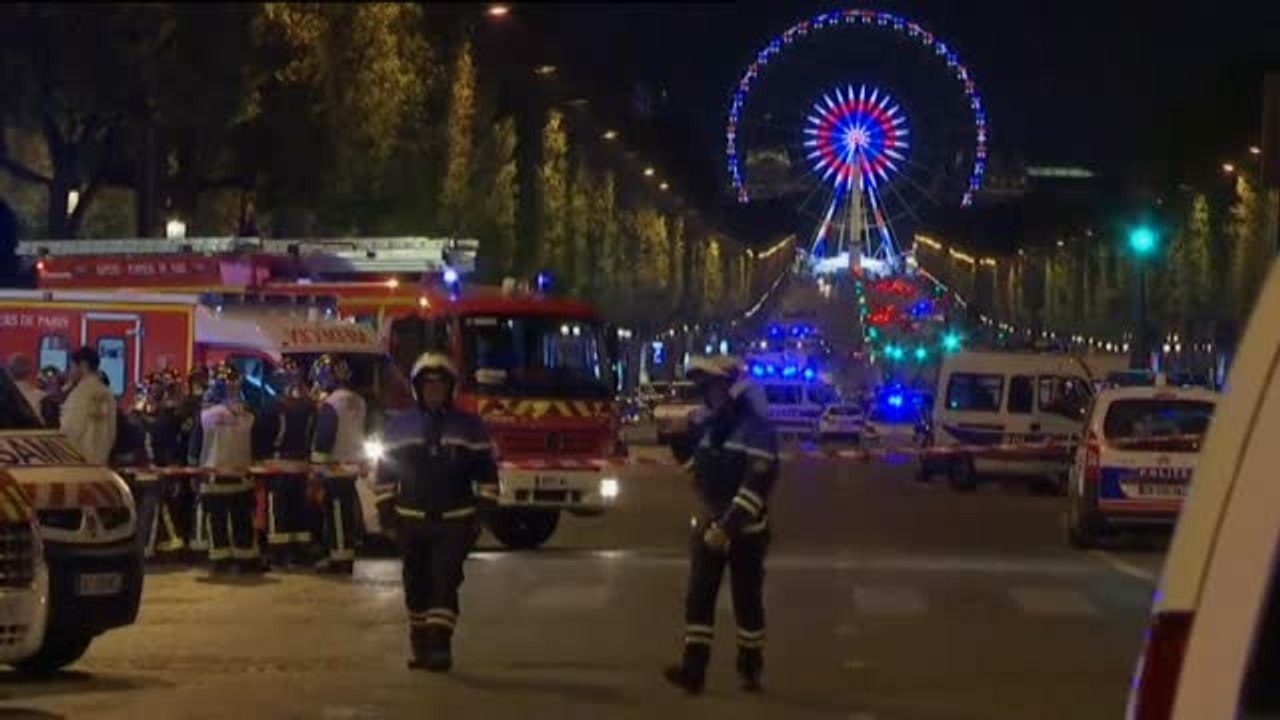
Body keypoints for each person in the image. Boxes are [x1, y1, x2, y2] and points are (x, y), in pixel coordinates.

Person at [375, 352, 499, 672]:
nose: (434, 391)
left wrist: (481, 515)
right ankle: (420, 644)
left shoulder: (470, 427)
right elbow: (385, 475)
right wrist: (387, 514)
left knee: (444, 583)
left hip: (454, 523)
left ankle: (440, 648)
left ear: (450, 388)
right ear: (417, 388)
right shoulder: (399, 427)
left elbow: (486, 475)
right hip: (411, 522)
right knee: (416, 587)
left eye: (440, 385)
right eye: (428, 386)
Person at [663, 355, 779, 695]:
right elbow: (698, 475)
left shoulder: (758, 430)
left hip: (746, 532)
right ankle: (693, 670)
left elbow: (756, 486)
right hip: (710, 524)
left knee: (747, 602)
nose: (707, 396)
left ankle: (750, 668)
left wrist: (726, 528)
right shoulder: (711, 426)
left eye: (712, 388)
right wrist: (677, 440)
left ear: (731, 389)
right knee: (698, 598)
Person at [188, 362, 262, 575]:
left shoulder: (206, 416)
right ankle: (246, 560)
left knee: (217, 523)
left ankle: (221, 561)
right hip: (241, 479)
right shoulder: (248, 415)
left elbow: (195, 447)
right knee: (242, 521)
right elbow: (255, 446)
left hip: (213, 480)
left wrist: (194, 472)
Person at [254, 358, 317, 567]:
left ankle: (278, 552)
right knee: (298, 508)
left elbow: (261, 436)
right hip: (301, 465)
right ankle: (299, 552)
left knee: (278, 510)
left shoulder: (272, 406)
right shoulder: (310, 406)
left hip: (277, 465)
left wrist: (259, 460)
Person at [309, 354, 367, 574]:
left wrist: (316, 469)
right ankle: (342, 553)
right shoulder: (358, 401)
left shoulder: (331, 404)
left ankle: (340, 558)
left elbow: (324, 438)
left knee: (336, 514)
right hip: (351, 466)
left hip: (333, 467)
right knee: (346, 513)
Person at [135, 370, 191, 561]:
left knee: (155, 509)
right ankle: (149, 548)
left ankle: (154, 547)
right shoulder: (160, 416)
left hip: (154, 468)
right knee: (153, 509)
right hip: (149, 468)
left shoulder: (166, 416)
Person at [60, 347, 118, 465]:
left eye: (72, 367)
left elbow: (70, 430)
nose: (70, 372)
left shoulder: (80, 393)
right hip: (101, 462)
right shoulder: (107, 393)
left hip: (79, 463)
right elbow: (112, 431)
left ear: (83, 365)